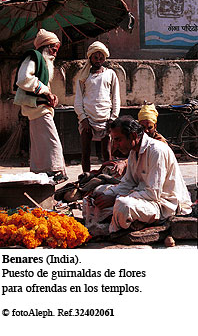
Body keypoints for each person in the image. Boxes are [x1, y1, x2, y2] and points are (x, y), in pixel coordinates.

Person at [83, 115, 192, 233]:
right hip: (142, 197)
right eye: (113, 140)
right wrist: (106, 194)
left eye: (118, 140)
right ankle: (126, 221)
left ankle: (117, 225)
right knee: (96, 193)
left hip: (163, 205)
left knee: (123, 205)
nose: (115, 145)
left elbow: (152, 194)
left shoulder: (157, 151)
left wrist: (114, 198)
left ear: (133, 136)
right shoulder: (133, 152)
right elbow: (128, 183)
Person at [13, 28, 67, 179]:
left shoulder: (43, 63)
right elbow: (23, 79)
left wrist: (51, 95)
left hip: (42, 108)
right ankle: (55, 170)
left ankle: (41, 172)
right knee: (51, 140)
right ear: (47, 46)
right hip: (38, 109)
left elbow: (42, 88)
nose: (55, 53)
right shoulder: (34, 57)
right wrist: (45, 91)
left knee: (40, 143)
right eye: (54, 49)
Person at [74, 41, 120, 172]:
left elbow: (116, 98)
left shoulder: (110, 74)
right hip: (88, 118)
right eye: (96, 57)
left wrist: (113, 118)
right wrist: (83, 119)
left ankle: (106, 178)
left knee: (106, 153)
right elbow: (78, 100)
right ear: (90, 58)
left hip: (105, 118)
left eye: (101, 58)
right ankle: (86, 178)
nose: (98, 60)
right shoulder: (83, 76)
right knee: (86, 152)